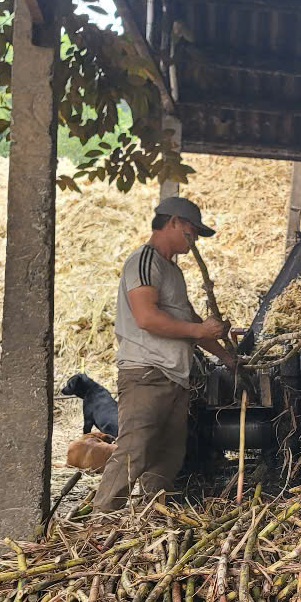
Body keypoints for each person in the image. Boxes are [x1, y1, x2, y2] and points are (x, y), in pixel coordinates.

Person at [93, 197, 236, 511]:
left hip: (173, 376)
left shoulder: (173, 271)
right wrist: (200, 332)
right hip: (147, 372)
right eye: (191, 229)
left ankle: (152, 517)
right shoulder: (144, 261)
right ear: (172, 222)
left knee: (168, 455)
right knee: (135, 448)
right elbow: (146, 317)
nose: (195, 238)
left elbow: (191, 322)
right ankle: (102, 520)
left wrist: (226, 356)